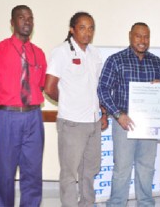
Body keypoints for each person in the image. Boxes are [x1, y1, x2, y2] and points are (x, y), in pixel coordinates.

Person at [0, 5, 47, 207]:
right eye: (22, 17)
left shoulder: (38, 54)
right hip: (8, 119)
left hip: (34, 118)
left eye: (30, 18)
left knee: (33, 175)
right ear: (12, 23)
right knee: (4, 174)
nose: (27, 21)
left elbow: (40, 85)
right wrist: (4, 105)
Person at [97, 22, 160, 206]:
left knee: (146, 168)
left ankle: (145, 203)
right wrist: (117, 114)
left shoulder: (156, 61)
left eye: (146, 36)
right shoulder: (116, 60)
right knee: (122, 168)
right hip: (124, 122)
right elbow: (103, 89)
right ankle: (116, 204)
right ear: (130, 36)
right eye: (138, 36)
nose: (142, 40)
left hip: (149, 125)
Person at [44, 12, 108, 206]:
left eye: (91, 28)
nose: (87, 32)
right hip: (71, 123)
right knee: (70, 173)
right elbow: (49, 87)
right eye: (82, 27)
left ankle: (87, 203)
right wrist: (68, 103)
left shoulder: (95, 53)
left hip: (93, 122)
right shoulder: (61, 52)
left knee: (90, 170)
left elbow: (98, 88)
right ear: (72, 29)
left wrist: (103, 112)